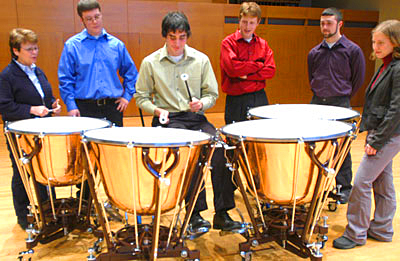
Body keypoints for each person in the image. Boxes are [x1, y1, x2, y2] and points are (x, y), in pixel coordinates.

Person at [134, 11, 242, 235]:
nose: (177, 43)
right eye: (172, 37)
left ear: (187, 36)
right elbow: (141, 97)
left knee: (220, 150)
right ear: (165, 36)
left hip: (194, 118)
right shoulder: (150, 63)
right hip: (168, 120)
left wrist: (201, 103)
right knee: (190, 154)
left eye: (182, 37)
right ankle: (194, 214)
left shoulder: (200, 60)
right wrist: (156, 109)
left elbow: (212, 94)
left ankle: (222, 213)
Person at [333, 19, 400, 249]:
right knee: (383, 181)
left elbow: (396, 109)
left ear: (395, 42)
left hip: (388, 134)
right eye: (374, 42)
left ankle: (355, 234)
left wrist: (377, 140)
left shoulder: (398, 68)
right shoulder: (386, 64)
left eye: (381, 42)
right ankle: (382, 229)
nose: (376, 47)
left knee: (361, 182)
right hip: (382, 131)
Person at [0, 28, 61, 230]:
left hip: (40, 130)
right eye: (29, 49)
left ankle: (48, 211)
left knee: (43, 172)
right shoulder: (7, 76)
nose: (34, 52)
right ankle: (23, 216)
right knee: (22, 173)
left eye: (36, 48)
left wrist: (52, 104)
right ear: (16, 51)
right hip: (19, 133)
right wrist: (32, 109)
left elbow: (44, 95)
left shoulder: (36, 69)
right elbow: (5, 106)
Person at [307, 7, 366, 204]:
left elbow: (357, 79)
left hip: (340, 103)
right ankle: (316, 186)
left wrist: (343, 96)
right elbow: (311, 77)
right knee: (315, 146)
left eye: (329, 23)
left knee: (342, 148)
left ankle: (343, 187)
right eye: (322, 23)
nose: (325, 27)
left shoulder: (353, 50)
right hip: (317, 103)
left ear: (339, 24)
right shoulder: (314, 52)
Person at [58, 0, 138, 127]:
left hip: (113, 107)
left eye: (97, 17)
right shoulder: (72, 46)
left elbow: (131, 74)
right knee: (86, 147)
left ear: (101, 15)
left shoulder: (117, 45)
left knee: (112, 145)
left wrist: (127, 97)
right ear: (82, 21)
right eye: (89, 19)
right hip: (84, 108)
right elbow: (65, 80)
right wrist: (71, 105)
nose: (94, 22)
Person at [220, 1, 276, 124]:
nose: (247, 27)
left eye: (252, 23)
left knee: (261, 137)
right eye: (244, 22)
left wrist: (247, 75)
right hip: (236, 99)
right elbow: (233, 69)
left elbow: (270, 70)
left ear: (258, 22)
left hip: (259, 97)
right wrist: (259, 65)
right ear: (239, 20)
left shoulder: (263, 44)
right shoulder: (228, 43)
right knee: (235, 140)